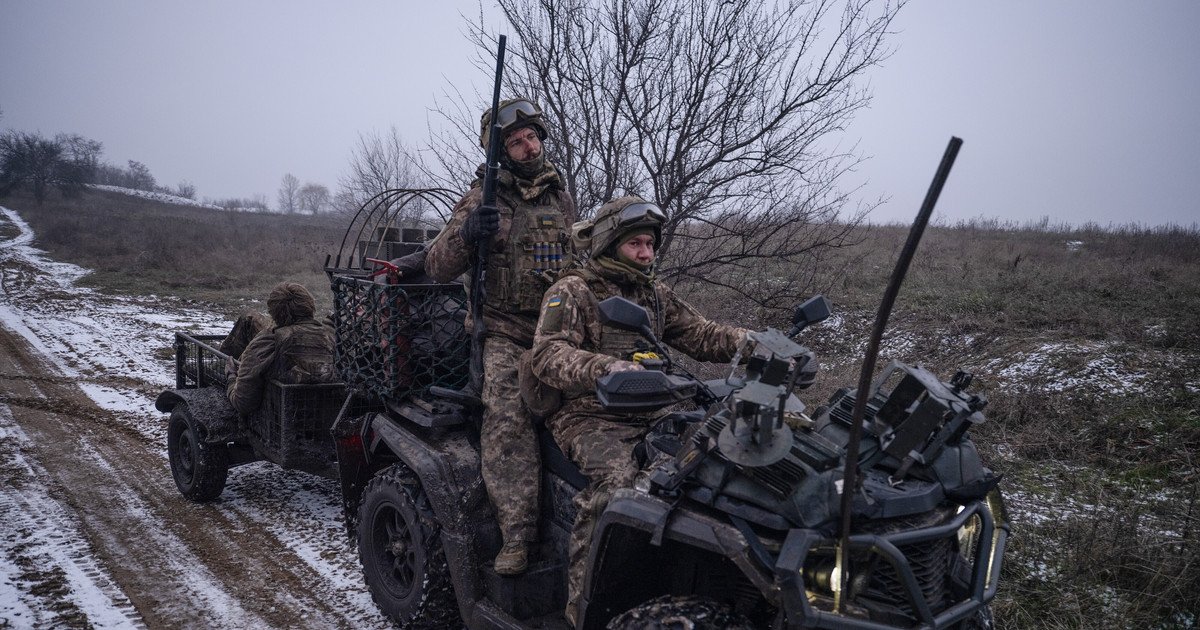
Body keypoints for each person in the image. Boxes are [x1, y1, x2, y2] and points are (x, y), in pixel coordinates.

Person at [528, 196, 749, 626]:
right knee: (618, 488)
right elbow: (547, 355)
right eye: (636, 245)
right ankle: (583, 609)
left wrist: (753, 342)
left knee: (718, 469)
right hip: (590, 414)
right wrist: (605, 367)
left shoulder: (652, 291)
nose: (646, 253)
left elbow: (701, 334)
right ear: (612, 244)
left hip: (655, 407)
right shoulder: (572, 291)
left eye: (650, 244)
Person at [425, 97, 577, 575]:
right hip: (504, 334)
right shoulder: (482, 197)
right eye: (515, 141)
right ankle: (517, 536)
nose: (527, 147)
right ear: (501, 150)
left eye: (532, 136)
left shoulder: (560, 196)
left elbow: (578, 263)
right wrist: (469, 232)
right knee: (508, 421)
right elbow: (437, 267)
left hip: (556, 331)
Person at [224, 282, 336, 416]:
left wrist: (231, 377)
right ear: (310, 306)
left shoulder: (268, 341)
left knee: (248, 318)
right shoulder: (332, 336)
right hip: (325, 417)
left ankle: (223, 362)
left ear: (273, 312)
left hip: (278, 418)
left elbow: (243, 403)